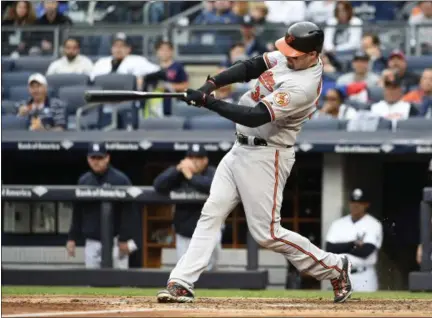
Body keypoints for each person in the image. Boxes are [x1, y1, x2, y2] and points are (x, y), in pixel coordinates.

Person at [157, 21, 353, 304]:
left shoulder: (304, 86)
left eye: (294, 53)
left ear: (313, 54)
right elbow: (250, 66)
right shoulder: (291, 56)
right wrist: (211, 85)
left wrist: (208, 102)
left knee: (267, 234)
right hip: (240, 148)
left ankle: (334, 266)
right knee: (212, 211)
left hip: (267, 154)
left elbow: (254, 116)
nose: (287, 56)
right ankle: (181, 282)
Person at [66, 142, 139, 269]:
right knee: (92, 283)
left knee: (119, 283)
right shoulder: (84, 181)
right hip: (92, 241)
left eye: (99, 158)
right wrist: (72, 238)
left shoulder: (120, 180)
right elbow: (77, 213)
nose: (96, 162)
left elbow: (129, 212)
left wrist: (124, 238)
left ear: (107, 158)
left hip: (115, 241)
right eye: (93, 158)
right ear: (88, 159)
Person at [153, 144, 221, 271]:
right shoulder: (179, 173)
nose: (194, 161)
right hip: (184, 231)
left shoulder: (212, 172)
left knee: (210, 270)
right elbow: (158, 185)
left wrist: (191, 177)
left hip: (209, 230)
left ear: (205, 160)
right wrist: (177, 169)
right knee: (184, 269)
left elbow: (214, 187)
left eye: (198, 158)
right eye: (191, 157)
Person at [326, 188, 383, 292]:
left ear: (367, 204)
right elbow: (329, 248)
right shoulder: (338, 224)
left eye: (360, 203)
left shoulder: (374, 224)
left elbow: (366, 251)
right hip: (340, 274)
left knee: (368, 307)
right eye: (353, 202)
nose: (355, 205)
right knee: (338, 308)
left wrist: (341, 248)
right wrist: (353, 244)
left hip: (363, 276)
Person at [142, 40, 189, 117]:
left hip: (171, 104)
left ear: (172, 51)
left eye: (167, 50)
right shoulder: (151, 67)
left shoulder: (178, 66)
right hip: (153, 104)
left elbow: (185, 86)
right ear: (157, 51)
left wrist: (168, 86)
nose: (164, 52)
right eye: (161, 49)